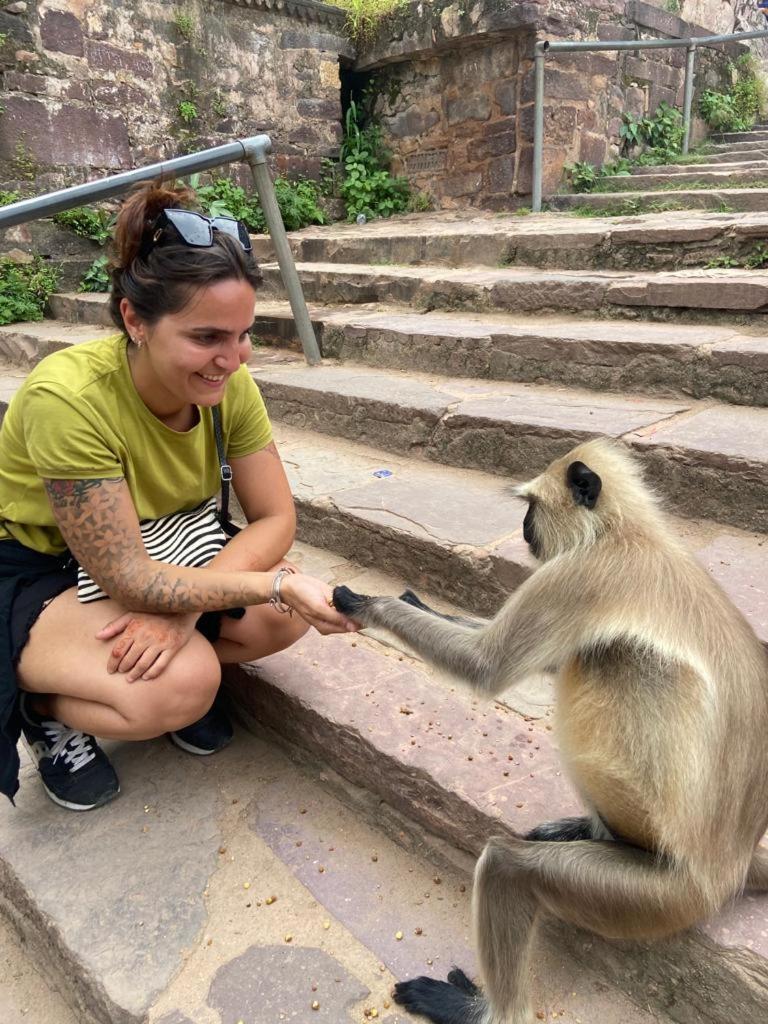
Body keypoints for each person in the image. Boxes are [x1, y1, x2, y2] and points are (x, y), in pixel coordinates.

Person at [0, 181, 356, 811]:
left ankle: (157, 662)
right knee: (184, 683)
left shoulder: (229, 384)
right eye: (207, 337)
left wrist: (184, 613)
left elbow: (276, 518)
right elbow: (130, 576)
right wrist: (267, 584)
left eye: (243, 334)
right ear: (135, 320)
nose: (232, 359)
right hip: (42, 567)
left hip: (162, 542)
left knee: (277, 620)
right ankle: (42, 707)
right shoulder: (69, 400)